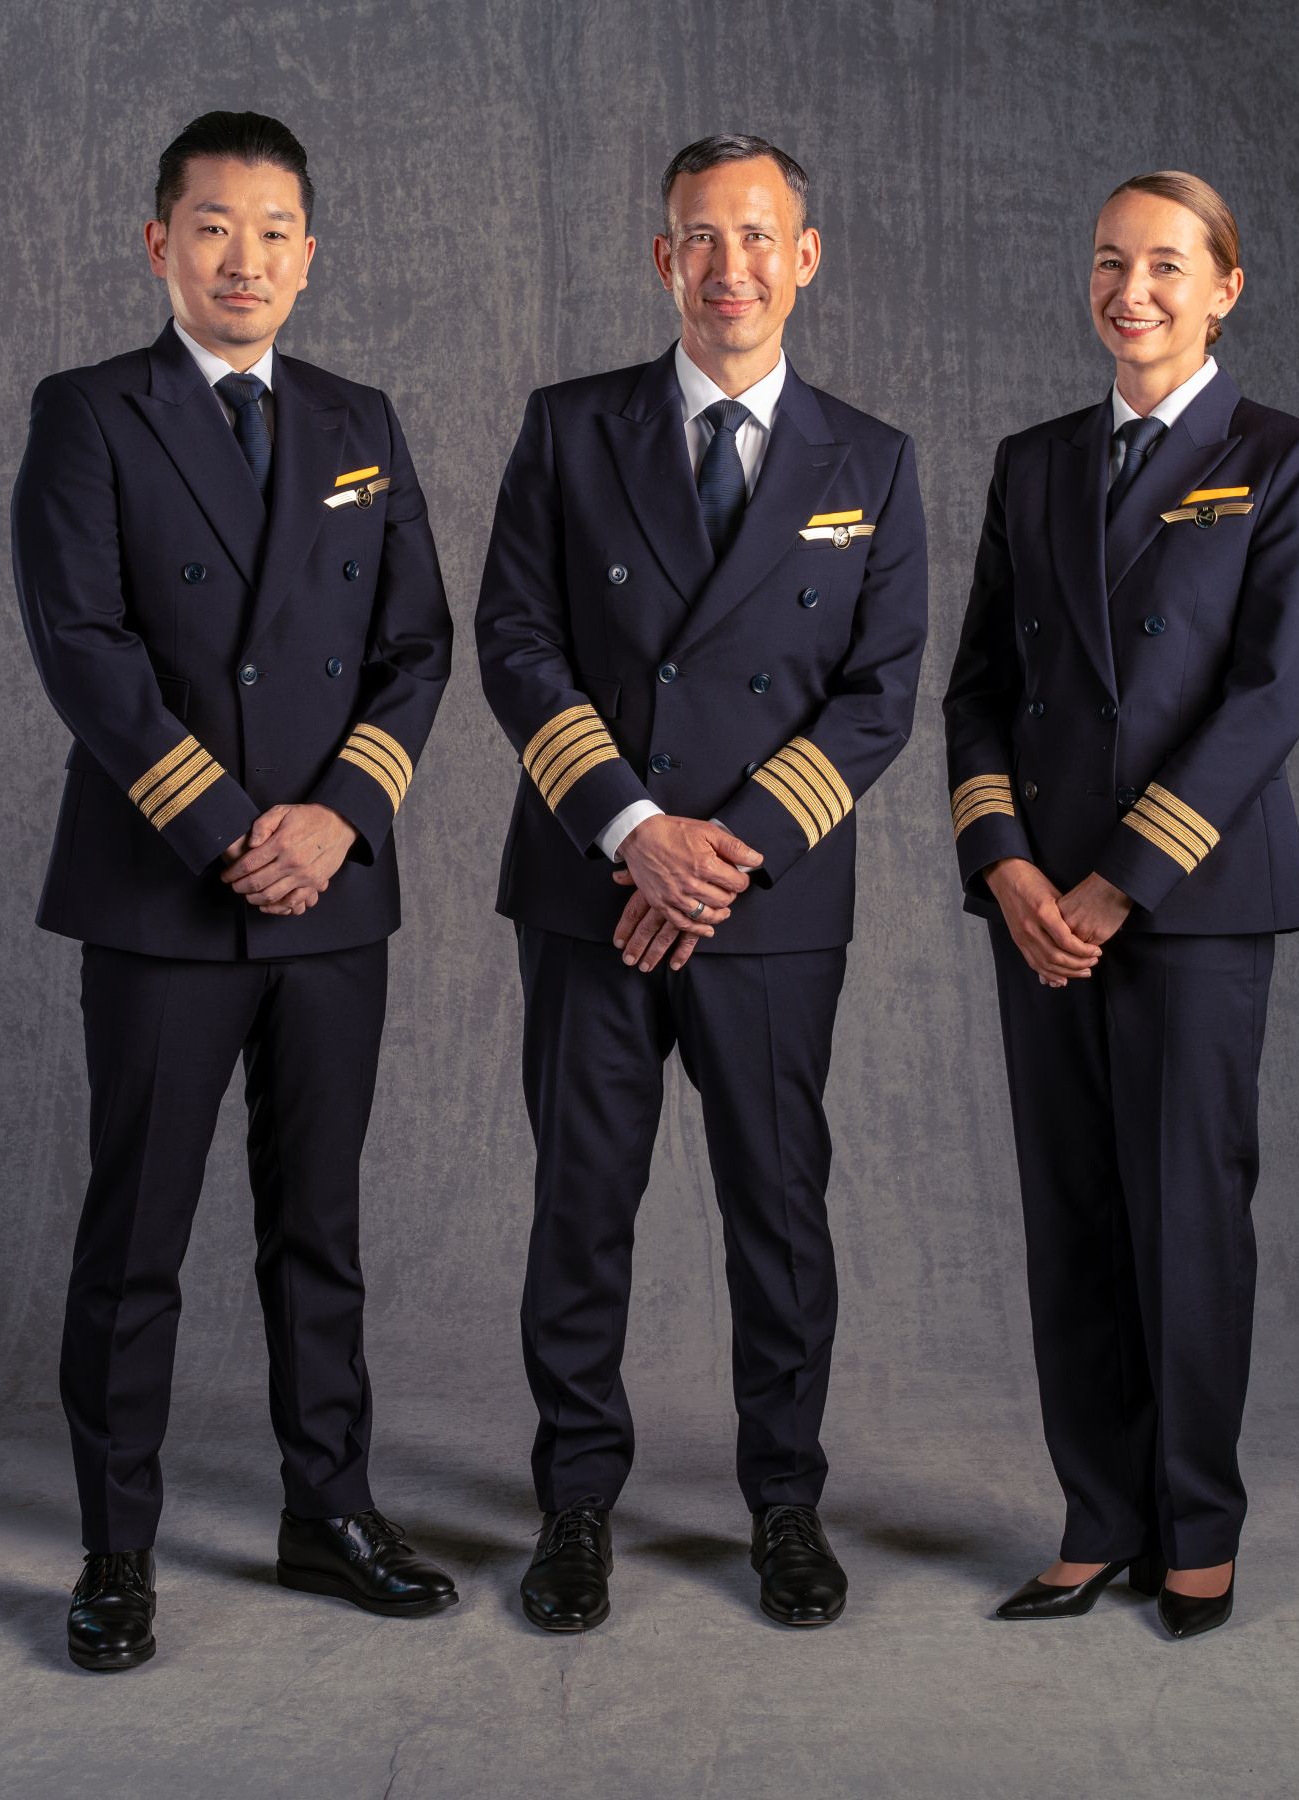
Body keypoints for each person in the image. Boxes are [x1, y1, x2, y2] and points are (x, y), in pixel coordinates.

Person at [12, 111, 458, 1671]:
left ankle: (325, 1511)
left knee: (317, 1226)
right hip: (165, 891)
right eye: (213, 227)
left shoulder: (363, 419)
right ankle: (116, 1551)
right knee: (136, 1236)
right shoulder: (91, 414)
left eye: (274, 231)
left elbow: (418, 649)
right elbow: (84, 645)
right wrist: (227, 828)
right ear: (159, 245)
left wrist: (335, 819)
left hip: (330, 894)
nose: (244, 258)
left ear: (311, 254)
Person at [476, 134, 927, 1632]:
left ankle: (785, 1503)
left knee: (778, 1208)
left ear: (805, 256)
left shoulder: (873, 459)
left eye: (758, 237)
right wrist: (633, 829)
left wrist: (721, 851)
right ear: (661, 260)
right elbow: (518, 642)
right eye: (698, 239)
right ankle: (577, 1507)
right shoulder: (567, 428)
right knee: (580, 1207)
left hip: (769, 899)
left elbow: (878, 693)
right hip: (594, 887)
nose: (729, 266)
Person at [943, 171, 1299, 1639]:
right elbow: (979, 690)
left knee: (1186, 1217)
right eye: (1111, 264)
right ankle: (1096, 1514)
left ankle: (1197, 1523)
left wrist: (1118, 880)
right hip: (1042, 904)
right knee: (1073, 1213)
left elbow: (1268, 698)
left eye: (1168, 266)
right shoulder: (1033, 459)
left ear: (1225, 285)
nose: (1134, 293)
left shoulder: (1281, 457)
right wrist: (1010, 868)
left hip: (1189, 898)